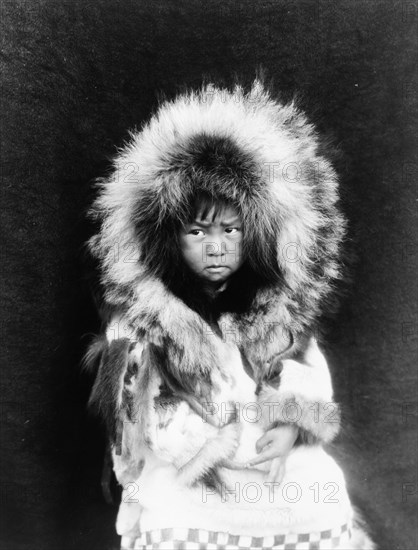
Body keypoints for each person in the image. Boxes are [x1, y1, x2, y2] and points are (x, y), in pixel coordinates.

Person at [85, 80, 374, 549]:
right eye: (197, 231)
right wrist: (201, 445)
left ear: (256, 234)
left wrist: (289, 429)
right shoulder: (145, 322)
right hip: (185, 451)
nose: (216, 246)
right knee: (172, 502)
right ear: (166, 238)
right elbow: (135, 415)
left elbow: (303, 374)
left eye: (231, 229)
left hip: (259, 444)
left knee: (316, 489)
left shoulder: (273, 311)